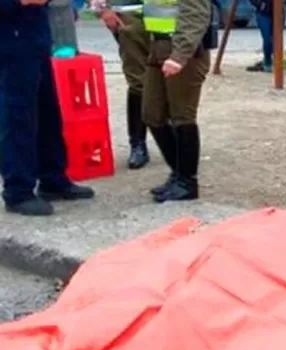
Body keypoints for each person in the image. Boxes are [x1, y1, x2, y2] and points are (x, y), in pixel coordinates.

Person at [1, 0, 96, 216]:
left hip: (35, 36)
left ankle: (52, 178)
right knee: (18, 117)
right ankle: (18, 191)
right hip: (10, 40)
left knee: (48, 114)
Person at [142, 0, 218, 202]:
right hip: (158, 48)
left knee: (182, 116)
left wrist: (180, 55)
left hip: (185, 53)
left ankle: (187, 181)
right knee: (151, 114)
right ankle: (178, 173)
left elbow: (196, 15)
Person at [91, 0, 152, 170]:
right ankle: (138, 143)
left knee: (168, 76)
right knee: (138, 82)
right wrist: (102, 10)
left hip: (167, 13)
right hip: (127, 15)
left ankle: (173, 138)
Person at [246, 0, 274, 72]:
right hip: (263, 14)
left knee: (274, 40)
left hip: (277, 12)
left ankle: (270, 60)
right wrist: (260, 4)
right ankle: (267, 63)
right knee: (267, 39)